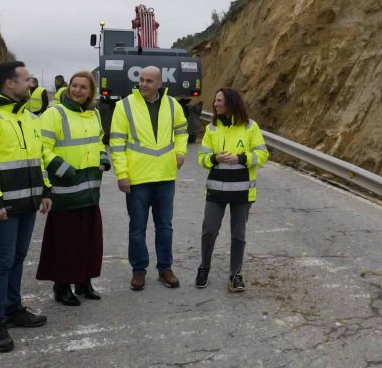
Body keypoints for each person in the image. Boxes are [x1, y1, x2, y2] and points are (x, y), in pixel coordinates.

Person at [0, 61, 52, 353]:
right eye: (27, 80)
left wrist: (44, 191)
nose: (32, 85)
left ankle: (14, 309)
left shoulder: (27, 116)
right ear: (9, 84)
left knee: (17, 259)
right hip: (2, 208)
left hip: (27, 203)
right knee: (2, 263)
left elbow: (38, 158)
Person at [110, 66, 188, 290]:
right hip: (137, 178)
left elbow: (182, 130)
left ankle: (165, 268)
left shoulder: (173, 105)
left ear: (160, 84)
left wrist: (181, 152)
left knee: (165, 227)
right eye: (141, 79)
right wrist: (122, 175)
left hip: (165, 176)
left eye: (149, 81)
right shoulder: (124, 106)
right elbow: (116, 143)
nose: (143, 84)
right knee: (137, 228)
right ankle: (139, 271)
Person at [36, 71, 109, 305]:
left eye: (83, 87)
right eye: (74, 86)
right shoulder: (54, 113)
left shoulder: (93, 114)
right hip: (66, 191)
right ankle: (62, 286)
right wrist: (63, 169)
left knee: (89, 240)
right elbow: (42, 148)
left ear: (90, 92)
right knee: (67, 243)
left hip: (90, 191)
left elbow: (98, 141)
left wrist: (103, 159)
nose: (78, 90)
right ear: (68, 88)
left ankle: (83, 282)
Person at [195, 88, 268, 292]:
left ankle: (236, 275)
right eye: (215, 100)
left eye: (219, 101)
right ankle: (204, 268)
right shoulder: (212, 129)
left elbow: (262, 155)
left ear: (230, 103)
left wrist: (240, 158)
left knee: (238, 235)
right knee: (209, 231)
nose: (215, 104)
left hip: (242, 193)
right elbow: (202, 159)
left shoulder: (250, 127)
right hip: (216, 192)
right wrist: (214, 158)